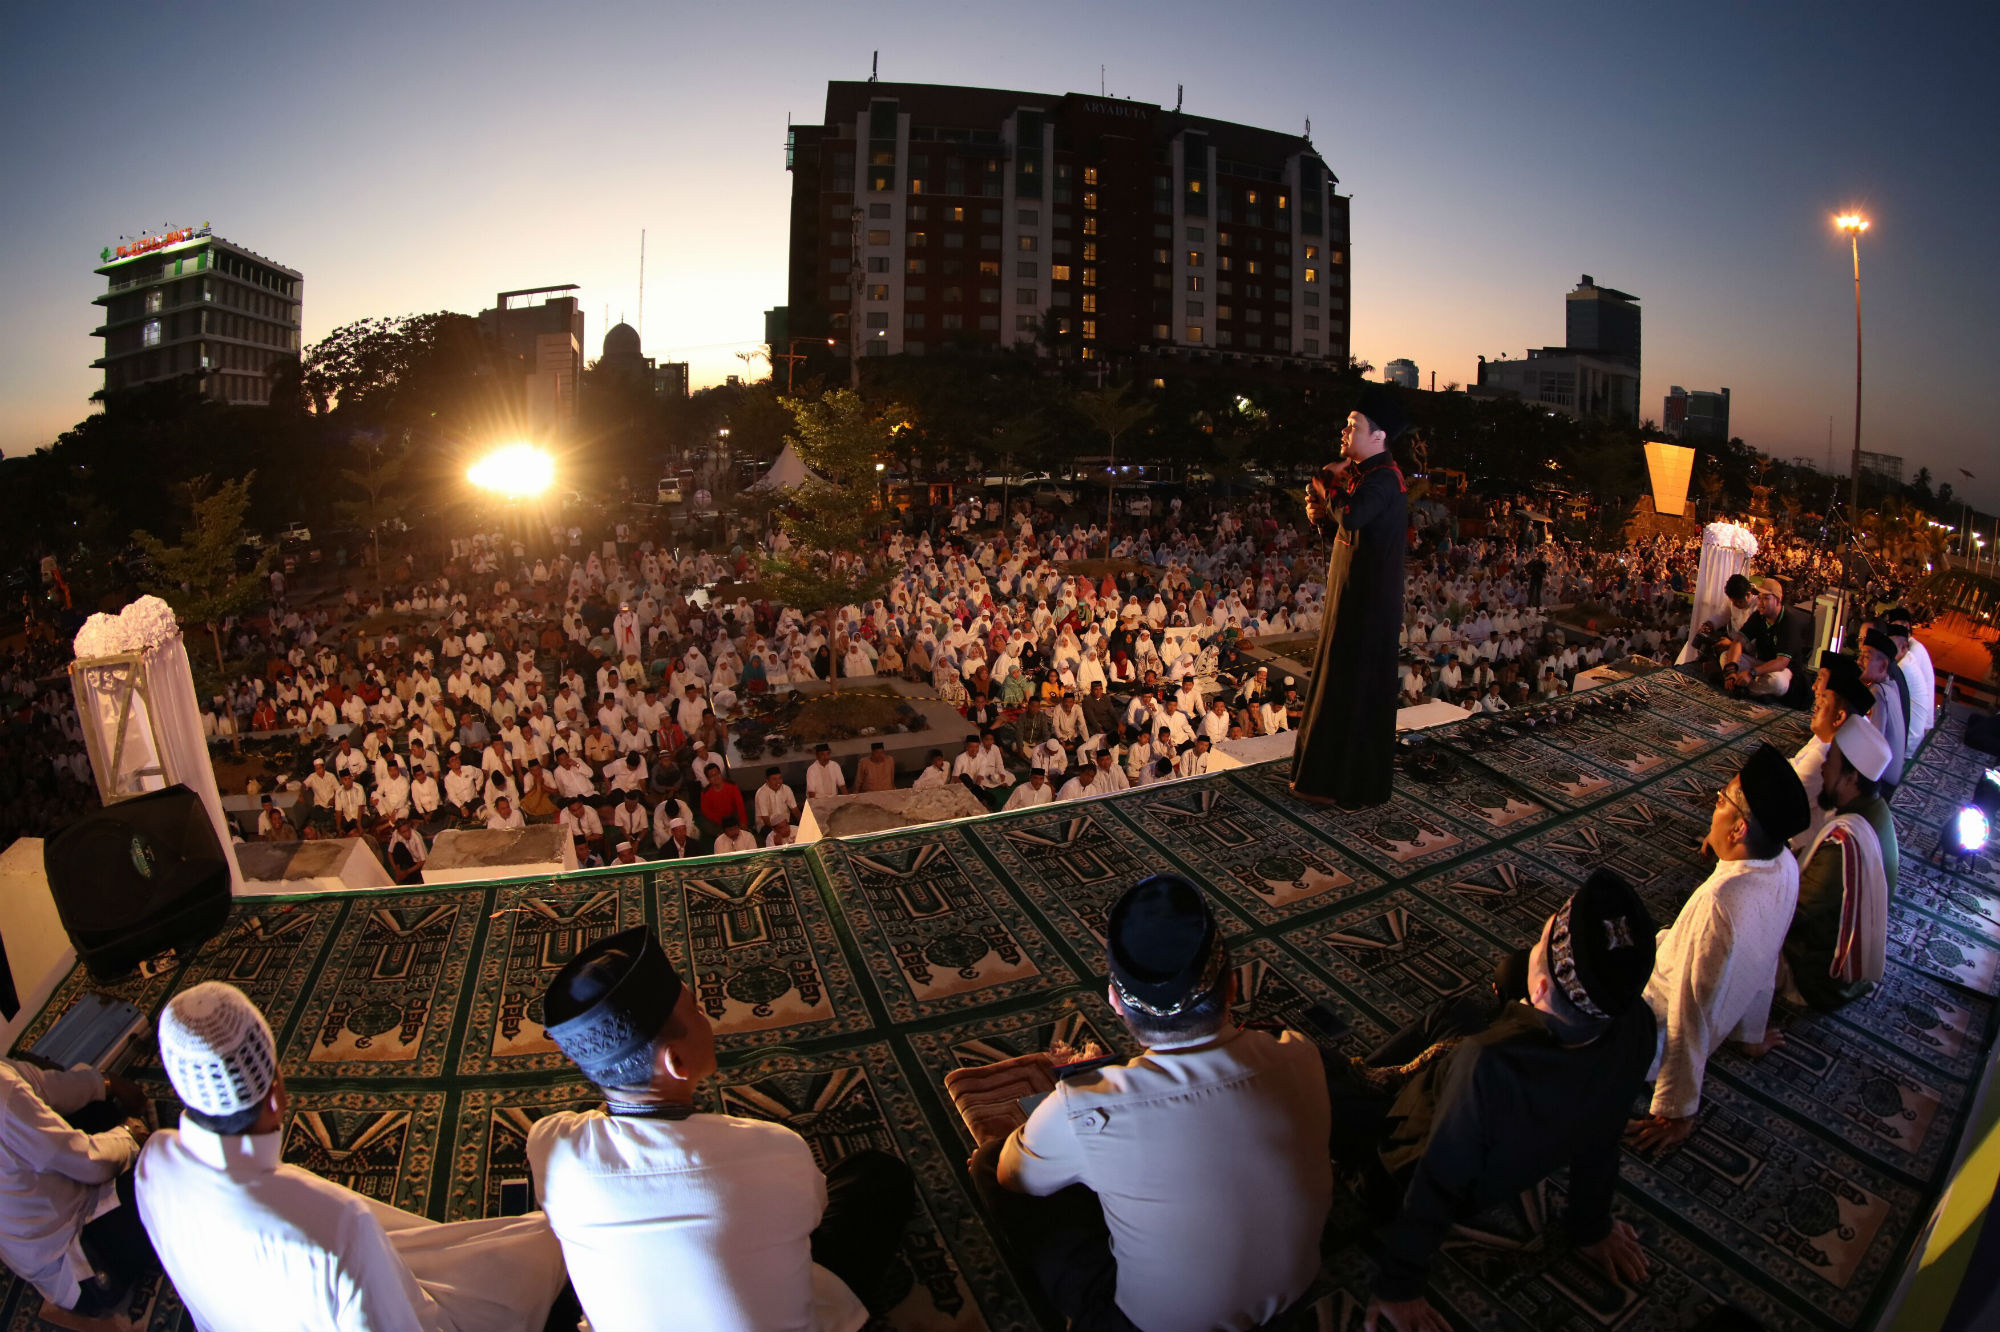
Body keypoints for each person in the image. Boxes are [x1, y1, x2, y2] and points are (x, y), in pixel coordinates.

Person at [971, 876, 1331, 1332]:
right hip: (1295, 1298)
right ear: (1234, 986)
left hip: (1148, 1325)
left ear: (1115, 1002)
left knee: (989, 1164)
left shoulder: (1081, 1107)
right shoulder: (1299, 1052)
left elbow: (1011, 1177)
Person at [530, 928, 914, 1332]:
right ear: (676, 1060)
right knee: (877, 1177)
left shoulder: (549, 1144)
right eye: (695, 1010)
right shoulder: (773, 1148)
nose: (707, 1018)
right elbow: (813, 1215)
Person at [138, 982, 571, 1332]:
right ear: (274, 1098)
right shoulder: (333, 1223)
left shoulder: (152, 1163)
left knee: (458, 1250)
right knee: (542, 1249)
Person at [1331, 871, 1659, 1332]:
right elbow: (1603, 1135)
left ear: (1541, 989)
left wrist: (1399, 1286)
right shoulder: (1635, 1024)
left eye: (1542, 936)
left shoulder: (1488, 1064)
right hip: (1483, 1124)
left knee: (1307, 1065)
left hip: (1390, 1165)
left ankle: (1352, 1079)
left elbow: (1436, 1180)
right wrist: (1592, 1224)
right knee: (1459, 1012)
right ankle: (1366, 1072)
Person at [1630, 744, 1810, 1150]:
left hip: (1647, 1026)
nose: (1715, 804)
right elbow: (1767, 955)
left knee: (1525, 974)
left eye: (1722, 799)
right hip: (1698, 1002)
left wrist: (1677, 1108)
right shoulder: (1784, 865)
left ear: (1738, 829)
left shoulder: (1720, 901)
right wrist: (1752, 1033)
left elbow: (1689, 1007)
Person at [1292, 385, 1409, 809]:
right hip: (1350, 598)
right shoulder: (1364, 478)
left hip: (1368, 607)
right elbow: (1348, 529)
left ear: (1378, 437)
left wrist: (1325, 482)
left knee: (1353, 691)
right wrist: (1322, 514)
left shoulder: (1385, 480)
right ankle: (1321, 779)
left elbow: (1355, 514)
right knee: (1334, 685)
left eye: (1354, 425)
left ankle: (1348, 784)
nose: (1345, 431)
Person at [0, 1057, 155, 1316]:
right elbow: (90, 1164)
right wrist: (128, 1135)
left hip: (57, 1232)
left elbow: (45, 1085)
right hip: (83, 1262)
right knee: (164, 1171)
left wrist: (106, 1082)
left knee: (97, 1106)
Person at [1778, 714, 1897, 1013]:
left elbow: (1793, 911)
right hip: (1829, 958)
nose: (1823, 766)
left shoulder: (1846, 842)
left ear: (1851, 778)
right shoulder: (1875, 810)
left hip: (1815, 975)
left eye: (1831, 761)